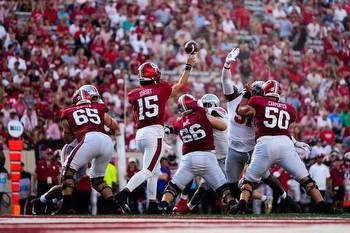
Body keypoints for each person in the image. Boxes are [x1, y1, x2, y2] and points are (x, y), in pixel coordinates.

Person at [233, 80, 338, 214]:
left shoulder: (258, 100)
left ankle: (242, 204)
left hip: (265, 144)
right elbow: (282, 125)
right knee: (305, 179)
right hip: (286, 144)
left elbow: (241, 111)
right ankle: (322, 204)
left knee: (248, 180)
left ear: (265, 90)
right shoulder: (289, 108)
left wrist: (247, 95)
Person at [221, 48, 302, 212]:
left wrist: (227, 67)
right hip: (236, 148)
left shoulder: (258, 103)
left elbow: (275, 126)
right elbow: (227, 83)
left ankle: (285, 199)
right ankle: (244, 207)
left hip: (253, 147)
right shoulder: (242, 99)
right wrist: (227, 66)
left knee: (264, 175)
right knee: (233, 183)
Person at [114, 54, 196, 214]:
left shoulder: (133, 94)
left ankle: (152, 204)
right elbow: (180, 85)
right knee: (148, 170)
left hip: (140, 134)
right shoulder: (162, 87)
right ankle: (123, 194)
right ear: (153, 74)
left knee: (155, 169)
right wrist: (189, 65)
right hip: (154, 133)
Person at [158, 94, 236, 213]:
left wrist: (164, 130)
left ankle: (164, 205)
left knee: (173, 187)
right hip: (210, 157)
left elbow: (171, 129)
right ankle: (233, 203)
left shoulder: (179, 121)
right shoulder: (202, 113)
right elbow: (223, 126)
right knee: (223, 189)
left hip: (189, 158)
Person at [58, 86, 120, 214]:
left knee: (67, 172)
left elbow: (68, 139)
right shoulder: (98, 108)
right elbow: (115, 126)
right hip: (106, 141)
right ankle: (115, 207)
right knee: (98, 180)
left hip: (89, 140)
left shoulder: (68, 112)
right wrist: (110, 135)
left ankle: (65, 207)